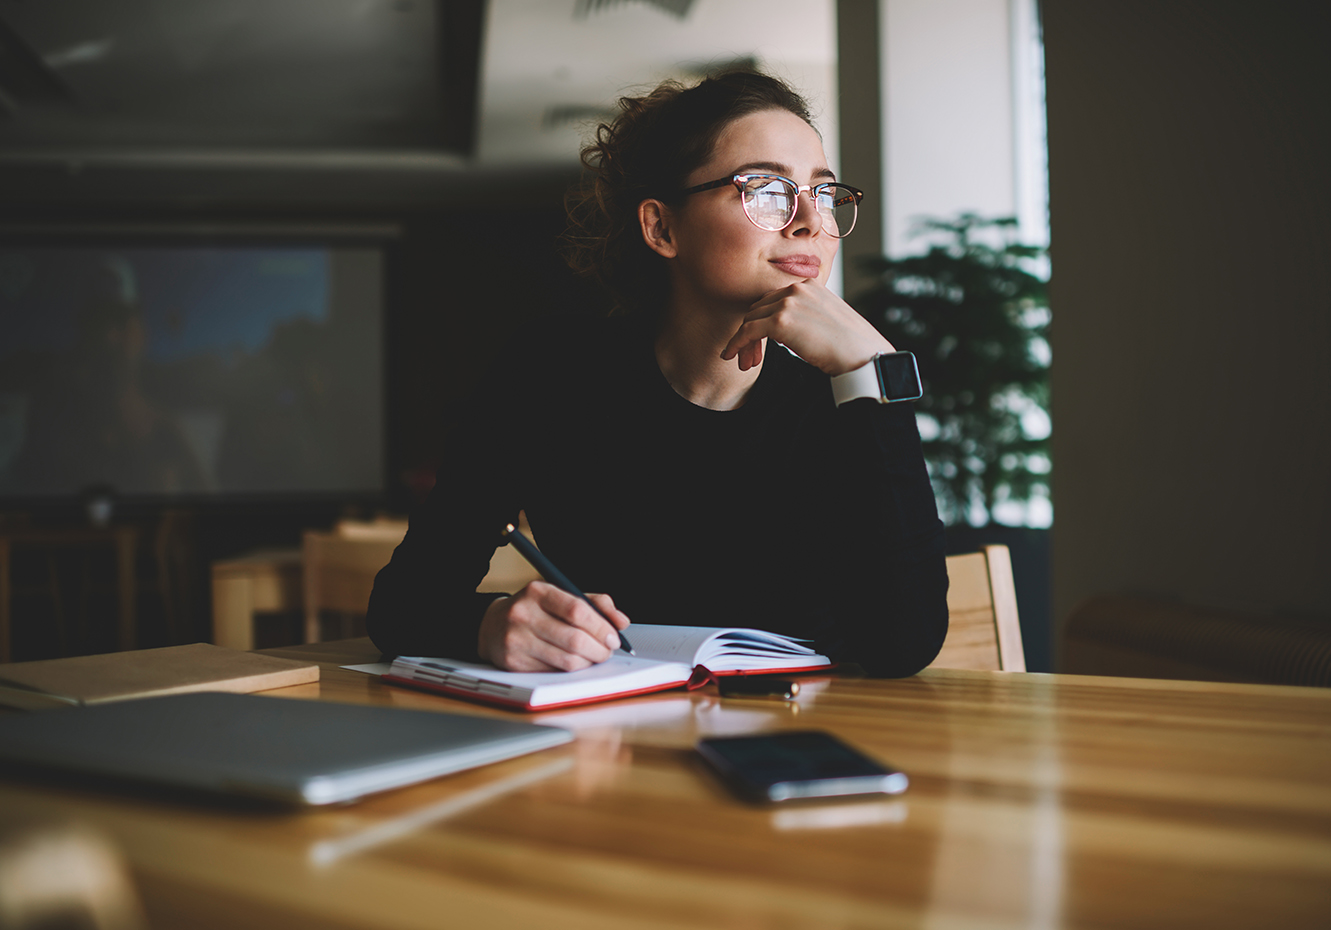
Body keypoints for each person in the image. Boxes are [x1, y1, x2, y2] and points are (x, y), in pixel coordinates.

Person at [366, 70, 948, 678]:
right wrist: (487, 625)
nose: (809, 220)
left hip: (805, 740)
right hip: (610, 739)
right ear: (661, 227)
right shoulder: (550, 374)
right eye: (766, 188)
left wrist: (872, 372)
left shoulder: (845, 402)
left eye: (823, 193)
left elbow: (903, 645)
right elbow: (402, 604)